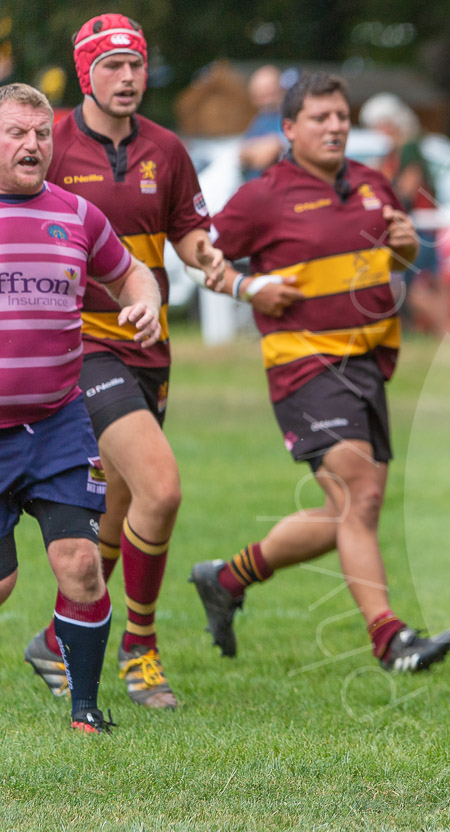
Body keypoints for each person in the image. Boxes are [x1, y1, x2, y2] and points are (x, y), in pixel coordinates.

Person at [188, 72, 450, 673]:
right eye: (319, 117)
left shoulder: (371, 183)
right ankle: (390, 640)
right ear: (289, 129)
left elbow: (397, 257)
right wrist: (246, 285)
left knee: (350, 511)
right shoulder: (264, 196)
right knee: (359, 495)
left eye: (340, 115)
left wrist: (409, 247)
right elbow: (202, 252)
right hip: (302, 363)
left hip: (367, 362)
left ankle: (227, 579)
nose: (335, 125)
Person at [22, 14, 225, 710]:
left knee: (118, 509)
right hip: (78, 348)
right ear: (86, 75)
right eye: (113, 66)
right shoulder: (45, 139)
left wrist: (209, 258)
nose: (129, 77)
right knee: (161, 488)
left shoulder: (166, 150)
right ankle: (139, 649)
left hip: (149, 347)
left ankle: (56, 638)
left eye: (136, 65)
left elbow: (190, 232)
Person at [0, 82, 165, 732]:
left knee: (81, 565)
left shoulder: (75, 215)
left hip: (60, 425)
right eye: (16, 132)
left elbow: (130, 272)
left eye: (41, 134)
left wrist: (145, 300)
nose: (32, 145)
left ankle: (85, 710)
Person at [360, 92, 447, 334]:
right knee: (415, 286)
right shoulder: (391, 152)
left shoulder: (408, 150)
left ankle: (448, 332)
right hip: (416, 227)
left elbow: (407, 190)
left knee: (420, 287)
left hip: (422, 228)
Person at [240, 64, 286, 179]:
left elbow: (269, 154)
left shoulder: (289, 118)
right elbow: (241, 153)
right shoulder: (258, 120)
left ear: (281, 91)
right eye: (261, 95)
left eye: (271, 92)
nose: (267, 100)